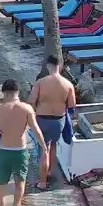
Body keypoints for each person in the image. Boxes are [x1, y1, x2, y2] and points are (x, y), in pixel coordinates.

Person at [0, 79, 45, 206]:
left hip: (3, 153)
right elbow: (36, 130)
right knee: (19, 184)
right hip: (20, 152)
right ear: (18, 92)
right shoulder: (26, 108)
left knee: (0, 192)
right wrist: (44, 147)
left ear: (4, 93)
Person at [29, 56, 76, 191]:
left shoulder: (40, 83)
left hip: (42, 119)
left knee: (44, 149)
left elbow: (31, 101)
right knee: (53, 145)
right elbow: (72, 105)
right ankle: (49, 172)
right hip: (58, 120)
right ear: (60, 66)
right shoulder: (68, 84)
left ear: (48, 66)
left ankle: (42, 182)